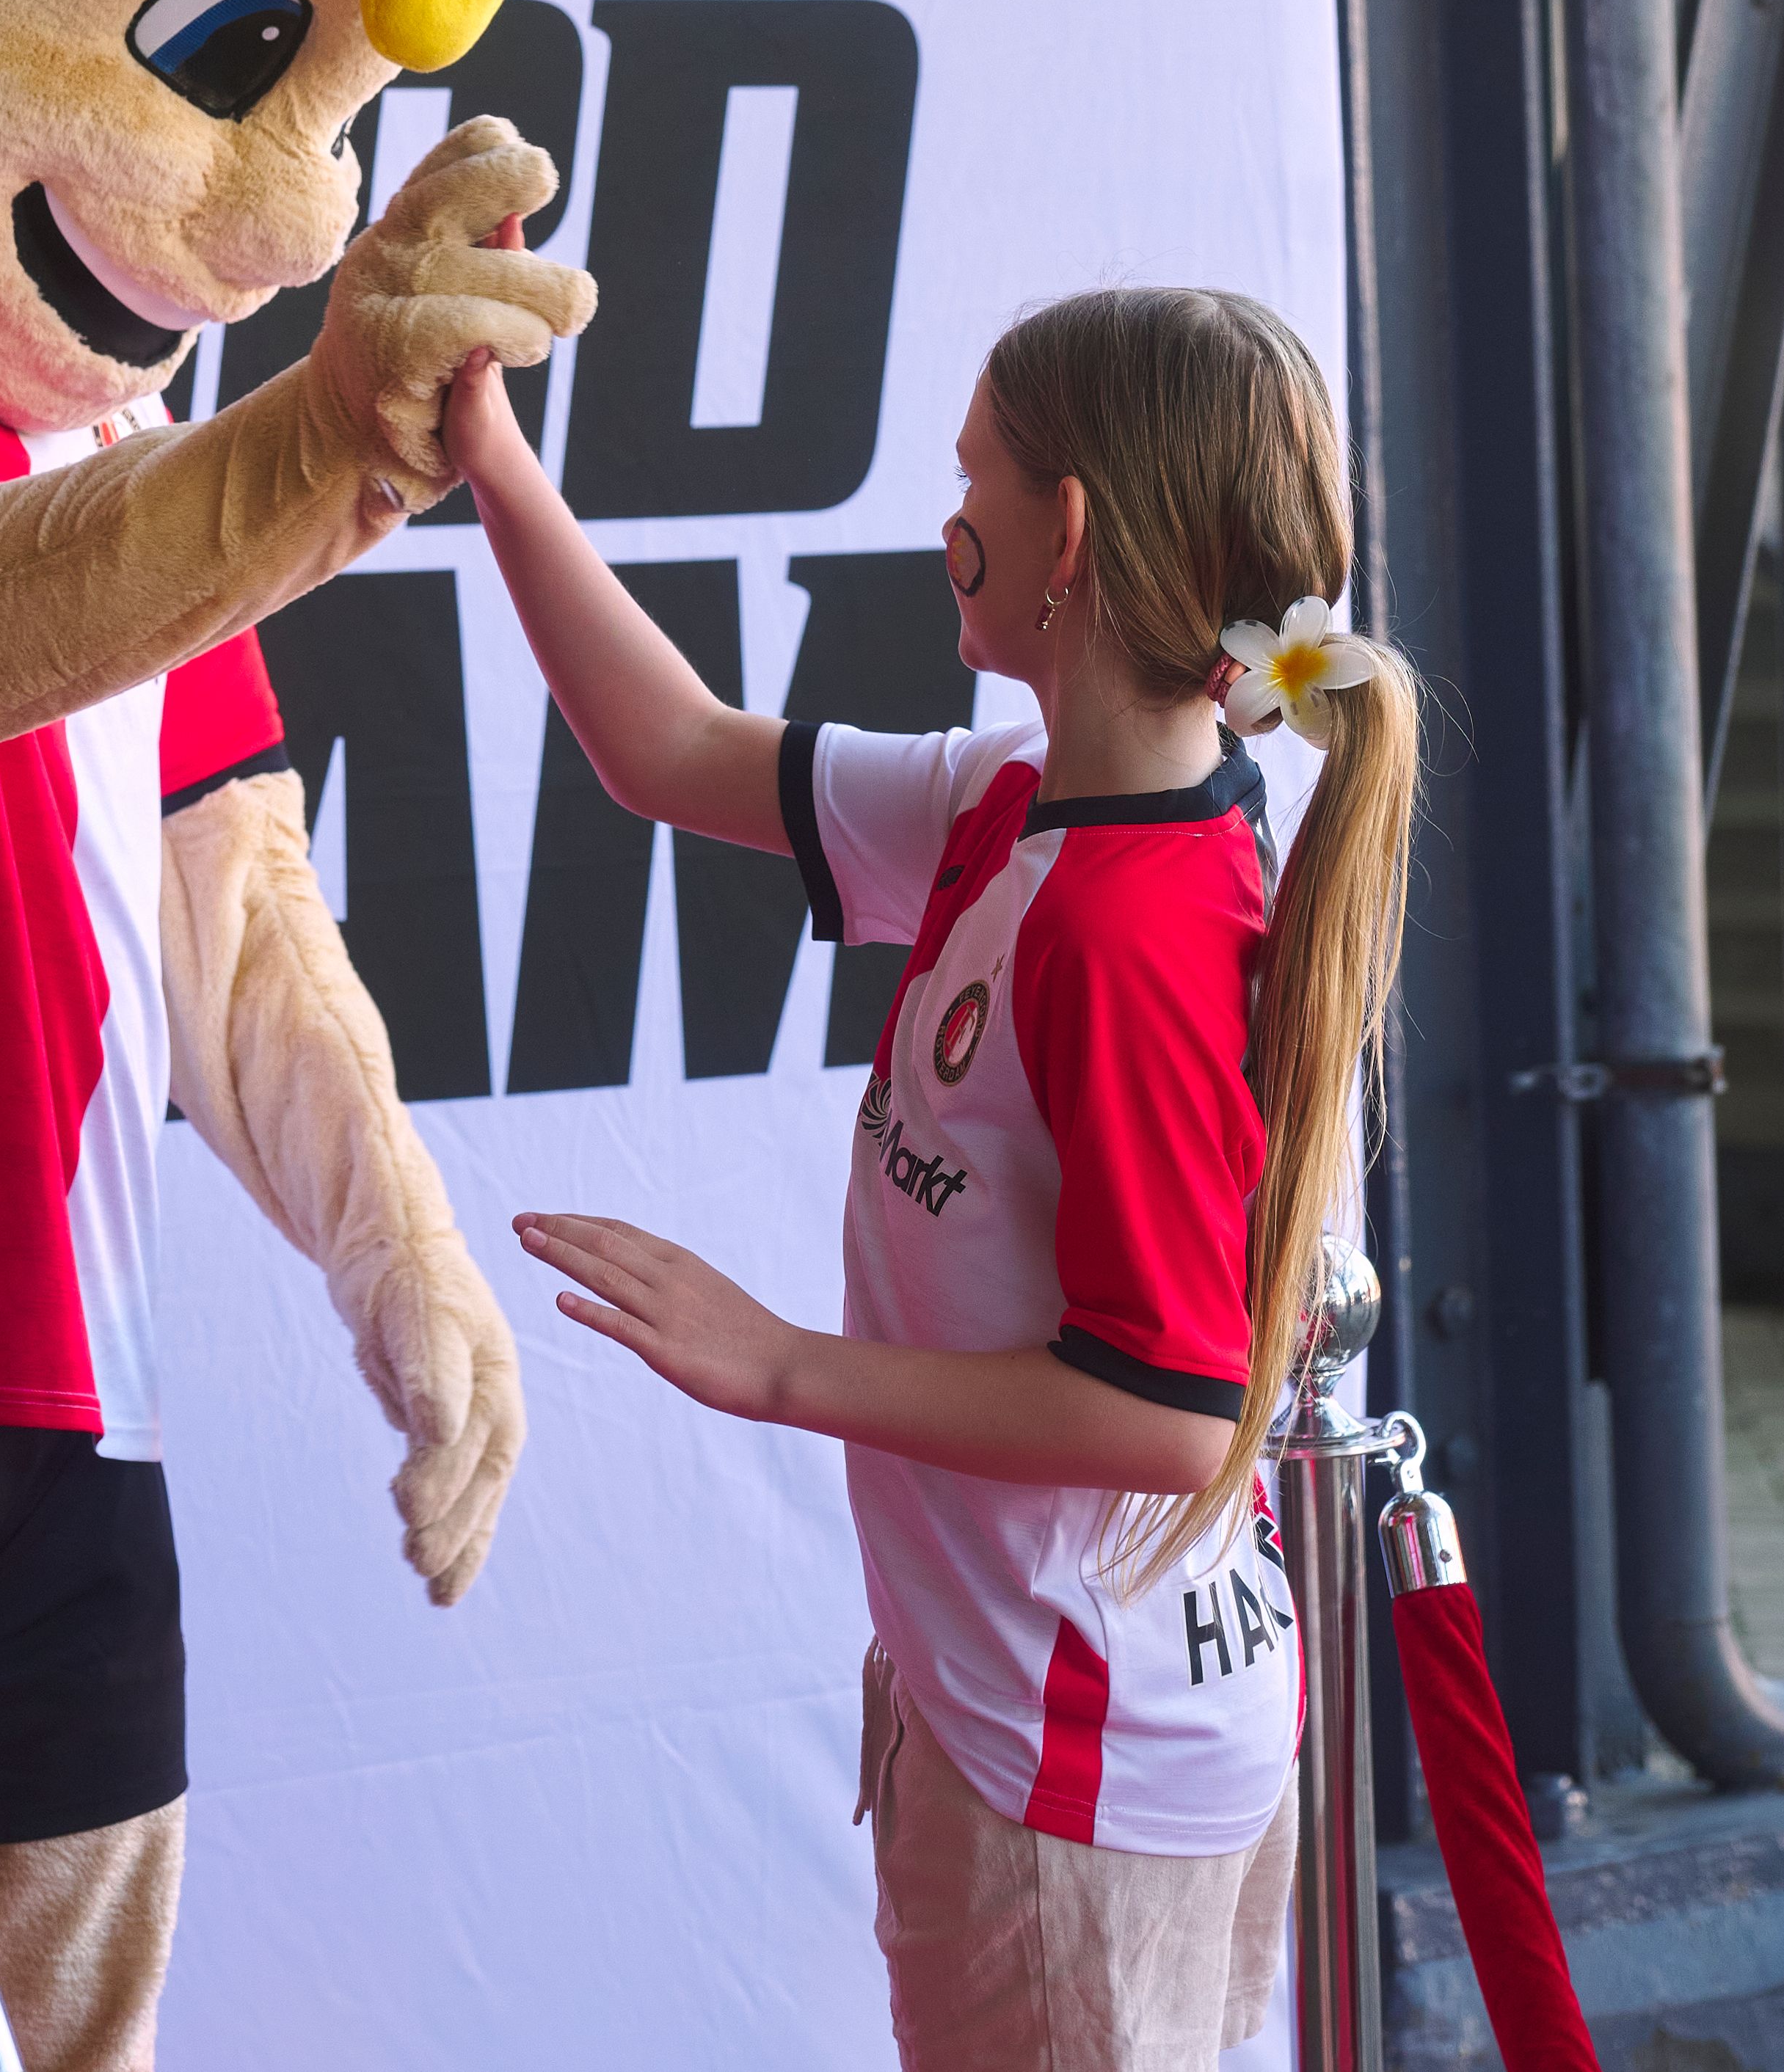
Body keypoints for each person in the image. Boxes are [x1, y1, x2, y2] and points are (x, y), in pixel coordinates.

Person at [445, 285, 1421, 2072]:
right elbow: (665, 750)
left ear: (1064, 535)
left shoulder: (1128, 928)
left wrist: (781, 1367)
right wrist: (492, 461)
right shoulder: (1028, 793)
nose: (941, 513)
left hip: (1076, 1752)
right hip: (1058, 1715)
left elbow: (1176, 1410)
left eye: (969, 471)